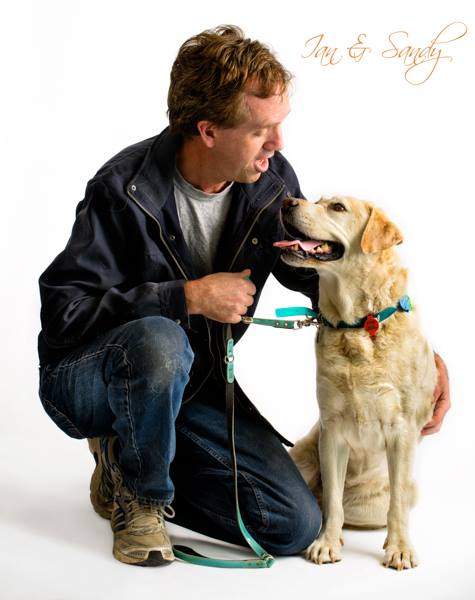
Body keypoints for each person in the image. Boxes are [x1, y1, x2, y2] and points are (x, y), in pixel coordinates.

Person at [37, 25, 450, 568]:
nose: (278, 144)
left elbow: (323, 274)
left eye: (279, 124)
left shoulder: (270, 181)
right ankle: (141, 498)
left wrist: (416, 356)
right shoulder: (122, 188)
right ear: (208, 130)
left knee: (294, 524)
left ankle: (129, 458)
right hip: (88, 383)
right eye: (260, 130)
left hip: (193, 385)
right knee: (160, 339)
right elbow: (63, 314)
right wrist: (185, 297)